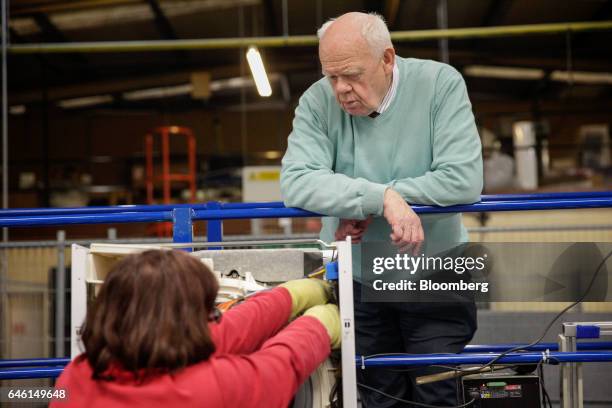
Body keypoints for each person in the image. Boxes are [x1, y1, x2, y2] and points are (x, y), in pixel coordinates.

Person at [280, 12, 483, 407]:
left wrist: (371, 201)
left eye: (351, 75)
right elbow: (296, 182)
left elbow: (462, 179)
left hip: (434, 273)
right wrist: (383, 199)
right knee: (373, 394)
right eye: (331, 76)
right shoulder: (317, 100)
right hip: (358, 279)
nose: (340, 89)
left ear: (387, 59)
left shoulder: (440, 84)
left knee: (437, 391)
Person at [50, 249, 340, 408]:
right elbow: (279, 367)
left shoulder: (76, 376)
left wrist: (290, 296)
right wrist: (321, 323)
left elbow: (226, 333)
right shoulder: (208, 387)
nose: (212, 317)